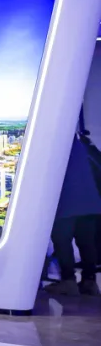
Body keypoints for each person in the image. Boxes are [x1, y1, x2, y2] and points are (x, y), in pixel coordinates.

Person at [45, 125, 101, 297]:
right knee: (87, 242)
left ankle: (68, 281)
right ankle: (89, 282)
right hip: (90, 200)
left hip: (66, 201)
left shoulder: (53, 144)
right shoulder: (81, 144)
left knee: (62, 241)